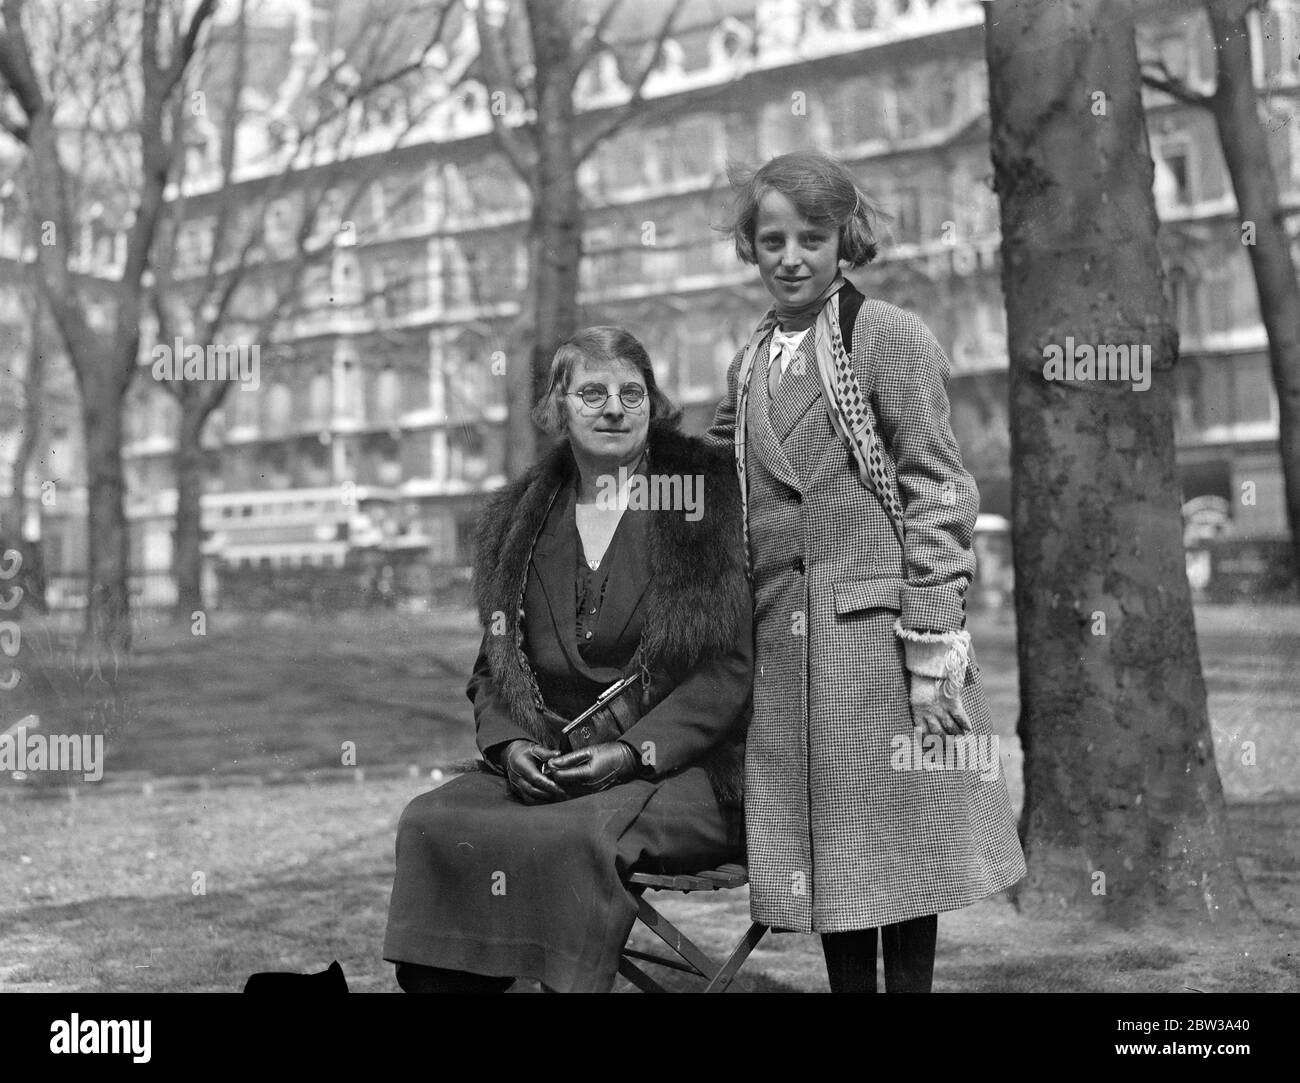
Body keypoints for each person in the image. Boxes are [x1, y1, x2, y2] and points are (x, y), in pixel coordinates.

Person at [706, 150, 1026, 993]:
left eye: (811, 237)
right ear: (750, 246)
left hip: (883, 646)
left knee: (902, 854)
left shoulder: (883, 334)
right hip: (787, 649)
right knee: (831, 866)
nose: (791, 256)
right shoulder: (749, 363)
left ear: (845, 238)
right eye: (771, 238)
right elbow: (729, 476)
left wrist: (931, 641)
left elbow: (939, 487)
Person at [383, 326, 752, 993]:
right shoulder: (520, 515)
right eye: (592, 392)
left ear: (652, 404)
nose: (613, 408)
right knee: (434, 820)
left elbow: (728, 671)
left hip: (682, 769)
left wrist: (631, 752)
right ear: (558, 406)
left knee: (569, 836)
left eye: (630, 393)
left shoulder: (702, 499)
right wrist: (512, 746)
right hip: (553, 763)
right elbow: (494, 665)